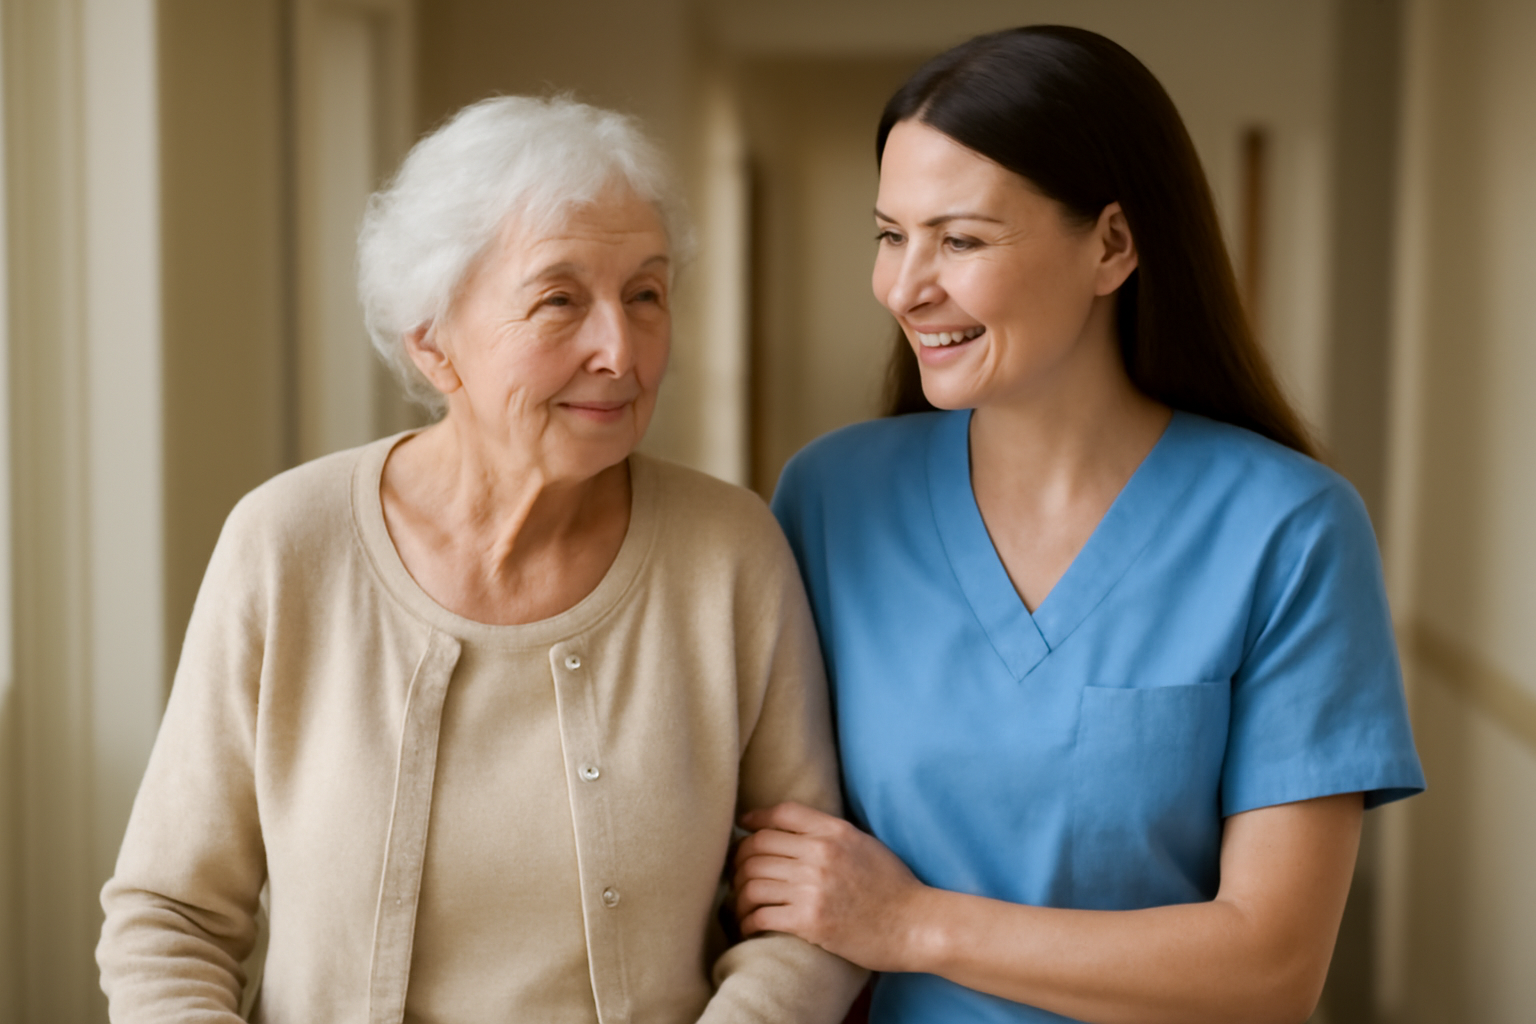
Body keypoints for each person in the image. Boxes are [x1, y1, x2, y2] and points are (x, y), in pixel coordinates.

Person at [97, 95, 865, 1024]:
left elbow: (812, 914)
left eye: (646, 294)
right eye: (559, 300)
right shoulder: (286, 544)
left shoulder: (730, 554)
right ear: (433, 341)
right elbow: (168, 916)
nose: (621, 351)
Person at [735, 25, 1424, 1024]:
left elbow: (1272, 968)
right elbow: (772, 871)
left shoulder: (1289, 530)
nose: (904, 286)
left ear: (1112, 243)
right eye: (891, 234)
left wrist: (915, 923)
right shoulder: (831, 500)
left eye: (960, 239)